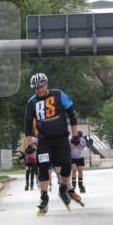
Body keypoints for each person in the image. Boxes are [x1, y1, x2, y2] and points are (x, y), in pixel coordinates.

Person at [23, 72, 83, 215]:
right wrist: (29, 145)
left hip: (61, 138)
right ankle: (44, 197)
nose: (39, 90)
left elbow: (72, 115)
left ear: (46, 85)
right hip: (44, 140)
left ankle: (63, 189)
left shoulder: (58, 94)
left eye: (41, 87)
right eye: (36, 88)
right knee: (43, 167)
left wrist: (75, 135)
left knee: (67, 164)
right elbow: (27, 126)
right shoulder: (32, 102)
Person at [70, 130, 88, 195]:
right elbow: (70, 147)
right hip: (72, 157)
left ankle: (80, 184)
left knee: (80, 170)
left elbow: (82, 147)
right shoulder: (71, 139)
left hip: (80, 157)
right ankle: (73, 184)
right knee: (74, 169)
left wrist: (77, 144)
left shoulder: (83, 140)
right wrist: (73, 144)